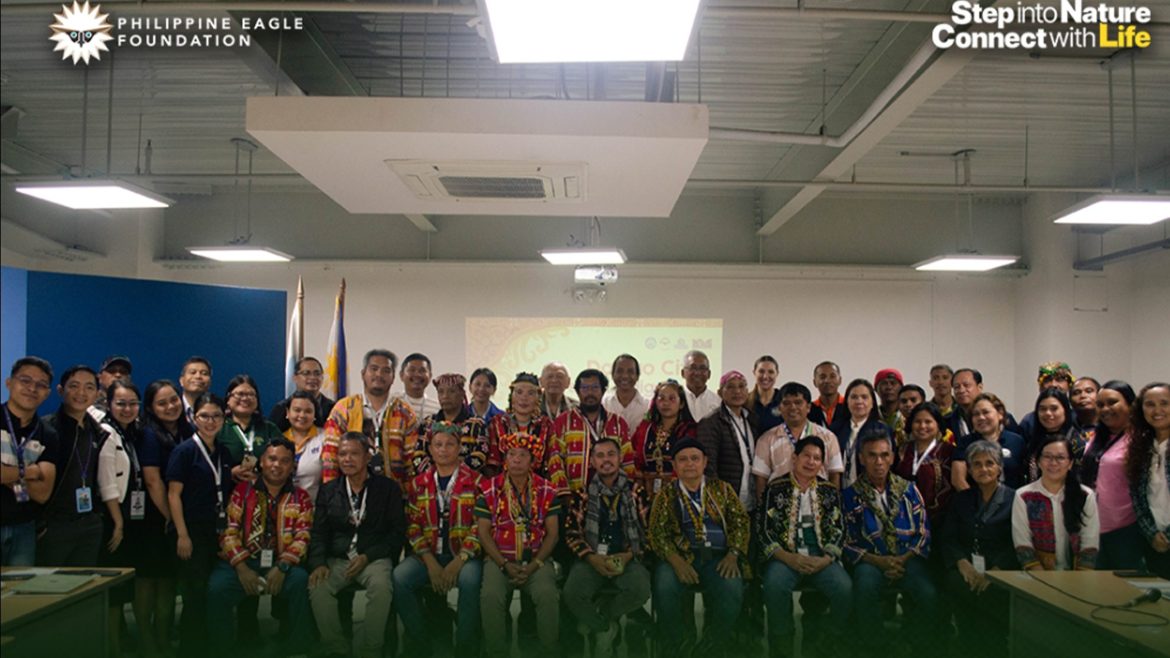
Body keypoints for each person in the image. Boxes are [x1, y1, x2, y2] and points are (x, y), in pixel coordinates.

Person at [208, 438, 313, 655]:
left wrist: (283, 567)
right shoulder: (242, 492)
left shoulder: (300, 497)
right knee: (217, 588)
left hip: (282, 562)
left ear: (292, 465)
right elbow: (228, 532)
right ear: (262, 462)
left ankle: (298, 647)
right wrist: (241, 567)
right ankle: (222, 649)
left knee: (302, 582)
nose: (277, 465)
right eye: (272, 459)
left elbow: (303, 537)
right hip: (244, 562)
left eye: (284, 461)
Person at [647, 438, 748, 658]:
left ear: (705, 462)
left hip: (719, 558)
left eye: (695, 459)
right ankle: (679, 643)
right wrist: (676, 561)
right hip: (680, 558)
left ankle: (713, 642)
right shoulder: (666, 494)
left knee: (732, 589)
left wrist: (733, 554)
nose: (689, 464)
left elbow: (740, 521)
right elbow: (656, 533)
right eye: (683, 460)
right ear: (674, 465)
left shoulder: (722, 489)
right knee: (664, 587)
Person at [842, 428, 938, 658]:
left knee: (929, 594)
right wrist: (879, 561)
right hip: (871, 559)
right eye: (872, 455)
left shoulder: (909, 490)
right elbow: (846, 540)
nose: (879, 462)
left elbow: (923, 531)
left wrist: (901, 560)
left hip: (907, 558)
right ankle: (876, 647)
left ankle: (915, 643)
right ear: (862, 459)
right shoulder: (849, 495)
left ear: (892, 458)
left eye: (884, 455)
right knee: (864, 589)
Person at [310, 432, 405, 658]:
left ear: (367, 457)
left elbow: (397, 533)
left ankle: (370, 649)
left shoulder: (387, 488)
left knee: (382, 588)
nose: (347, 459)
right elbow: (319, 532)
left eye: (354, 453)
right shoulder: (329, 490)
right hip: (338, 559)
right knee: (317, 586)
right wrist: (319, 563)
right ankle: (336, 647)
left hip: (373, 557)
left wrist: (368, 556)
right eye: (342, 454)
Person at [757, 437, 851, 658]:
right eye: (806, 456)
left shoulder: (829, 491)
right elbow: (763, 530)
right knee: (774, 586)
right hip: (785, 559)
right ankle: (782, 647)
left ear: (822, 464)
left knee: (844, 588)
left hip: (821, 557)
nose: (811, 462)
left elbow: (840, 529)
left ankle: (826, 642)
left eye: (817, 458)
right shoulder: (775, 488)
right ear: (794, 458)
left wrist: (826, 559)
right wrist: (788, 558)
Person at [394, 425, 482, 657]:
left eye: (450, 444)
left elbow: (480, 527)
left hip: (463, 554)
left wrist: (460, 560)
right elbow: (413, 527)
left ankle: (465, 646)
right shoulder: (418, 483)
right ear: (430, 449)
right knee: (399, 577)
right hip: (429, 554)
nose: (443, 450)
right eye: (438, 445)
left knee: (471, 580)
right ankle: (421, 640)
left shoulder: (476, 481)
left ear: (460, 448)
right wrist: (430, 563)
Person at [476, 431, 562, 658]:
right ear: (504, 460)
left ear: (533, 461)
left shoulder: (547, 490)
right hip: (499, 560)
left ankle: (549, 650)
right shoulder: (489, 489)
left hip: (537, 560)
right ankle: (496, 651)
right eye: (511, 454)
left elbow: (553, 534)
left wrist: (535, 565)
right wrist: (503, 564)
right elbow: (483, 533)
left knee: (547, 595)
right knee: (490, 596)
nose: (516, 459)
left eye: (523, 455)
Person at [563, 438, 652, 656]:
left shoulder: (636, 492)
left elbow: (649, 533)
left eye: (611, 454)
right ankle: (605, 627)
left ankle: (602, 614)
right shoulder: (582, 494)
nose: (606, 460)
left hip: (627, 558)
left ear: (620, 458)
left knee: (640, 589)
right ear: (592, 461)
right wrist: (592, 558)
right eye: (600, 456)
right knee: (571, 594)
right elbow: (572, 534)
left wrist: (629, 555)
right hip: (591, 559)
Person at [166, 393, 237, 658]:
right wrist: (182, 534)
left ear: (224, 419)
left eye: (216, 416)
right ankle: (191, 649)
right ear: (193, 418)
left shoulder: (223, 452)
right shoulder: (184, 451)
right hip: (190, 533)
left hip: (215, 533)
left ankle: (213, 647)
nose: (210, 421)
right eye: (204, 416)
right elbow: (173, 494)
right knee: (193, 595)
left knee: (212, 593)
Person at [939, 440, 1018, 657]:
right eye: (977, 464)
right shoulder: (961, 499)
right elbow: (949, 537)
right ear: (970, 469)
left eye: (989, 463)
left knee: (992, 603)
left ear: (999, 468)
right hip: (967, 568)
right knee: (956, 584)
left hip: (1000, 570)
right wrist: (962, 563)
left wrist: (995, 571)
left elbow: (1018, 543)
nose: (983, 469)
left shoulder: (1014, 499)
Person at [96, 380, 148, 657]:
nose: (127, 409)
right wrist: (117, 522)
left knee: (123, 586)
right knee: (113, 591)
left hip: (128, 517)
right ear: (109, 404)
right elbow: (107, 483)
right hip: (112, 520)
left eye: (132, 403)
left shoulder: (131, 433)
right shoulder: (106, 433)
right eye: (121, 403)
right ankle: (112, 649)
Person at [135, 379, 186, 654]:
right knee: (147, 581)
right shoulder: (149, 435)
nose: (170, 406)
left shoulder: (185, 431)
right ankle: (146, 638)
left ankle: (164, 636)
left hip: (177, 519)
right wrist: (171, 520)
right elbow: (153, 481)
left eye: (174, 400)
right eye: (162, 403)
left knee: (168, 581)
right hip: (155, 520)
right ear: (151, 408)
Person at [324, 349, 419, 486]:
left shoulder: (405, 413)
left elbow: (411, 461)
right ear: (363, 374)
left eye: (386, 371)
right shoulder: (344, 409)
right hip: (349, 493)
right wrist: (331, 494)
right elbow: (330, 457)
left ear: (393, 378)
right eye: (374, 369)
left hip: (393, 494)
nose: (379, 374)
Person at [39, 364, 104, 566]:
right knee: (49, 591)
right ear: (60, 390)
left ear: (97, 394)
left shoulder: (97, 431)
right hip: (54, 525)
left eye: (89, 387)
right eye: (74, 386)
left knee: (84, 589)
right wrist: (42, 525)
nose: (81, 393)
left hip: (88, 523)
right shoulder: (47, 429)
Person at [1012, 435, 1099, 570]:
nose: (1053, 463)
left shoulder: (1085, 495)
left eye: (1060, 458)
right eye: (1047, 457)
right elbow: (1023, 545)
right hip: (1038, 577)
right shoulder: (1023, 496)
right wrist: (1043, 580)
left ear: (1070, 463)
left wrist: (1081, 580)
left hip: (1077, 577)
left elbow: (1090, 543)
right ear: (1038, 462)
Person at [1, 356, 56, 566]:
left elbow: (43, 493)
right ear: (9, 383)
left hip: (24, 527)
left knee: (21, 596)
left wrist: (7, 473)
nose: (32, 388)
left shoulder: (47, 433)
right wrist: (27, 472)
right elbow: (36, 481)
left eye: (41, 385)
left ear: (48, 393)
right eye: (25, 381)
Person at [1082, 380, 1142, 569]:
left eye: (1112, 402)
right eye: (1100, 405)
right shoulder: (1095, 439)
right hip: (1093, 528)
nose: (1105, 409)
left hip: (1126, 530)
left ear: (1131, 405)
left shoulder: (1140, 440)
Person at [553, 368, 635, 495]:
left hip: (614, 498)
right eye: (585, 388)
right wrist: (565, 494)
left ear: (603, 390)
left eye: (595, 387)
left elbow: (628, 462)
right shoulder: (562, 422)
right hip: (575, 497)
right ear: (577, 392)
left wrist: (626, 493)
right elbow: (555, 460)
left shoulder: (618, 423)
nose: (590, 393)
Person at [752, 381, 842, 492]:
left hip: (817, 503)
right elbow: (761, 479)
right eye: (786, 403)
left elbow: (834, 475)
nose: (792, 407)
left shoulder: (828, 437)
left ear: (808, 407)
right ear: (779, 408)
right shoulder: (766, 439)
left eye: (798, 402)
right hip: (779, 505)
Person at [698, 370, 757, 512]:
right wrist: (719, 500)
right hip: (726, 502)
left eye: (742, 386)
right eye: (730, 387)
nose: (737, 391)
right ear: (720, 392)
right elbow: (708, 466)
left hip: (751, 500)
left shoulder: (752, 419)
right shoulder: (711, 422)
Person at [1128, 382, 1170, 579]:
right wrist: (1152, 533)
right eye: (1150, 404)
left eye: (1164, 403)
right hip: (1151, 540)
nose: (1157, 410)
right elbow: (1138, 498)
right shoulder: (1141, 447)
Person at [486, 372, 560, 480]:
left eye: (530, 393)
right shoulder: (497, 423)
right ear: (511, 397)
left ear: (538, 398)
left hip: (538, 487)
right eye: (519, 392)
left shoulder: (546, 425)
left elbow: (553, 461)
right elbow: (492, 463)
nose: (524, 398)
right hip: (502, 487)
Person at [894, 402, 955, 529]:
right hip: (903, 519)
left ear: (938, 424)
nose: (922, 426)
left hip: (939, 522)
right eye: (918, 421)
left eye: (928, 422)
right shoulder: (901, 450)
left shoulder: (948, 452)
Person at [630, 379, 696, 495]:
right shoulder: (645, 428)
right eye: (661, 398)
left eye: (672, 399)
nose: (666, 403)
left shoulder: (689, 430)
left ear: (681, 404)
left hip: (679, 492)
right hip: (646, 491)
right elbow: (634, 456)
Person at [414, 373, 489, 473]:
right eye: (441, 392)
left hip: (467, 484)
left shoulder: (477, 424)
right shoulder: (427, 423)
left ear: (462, 394)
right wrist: (436, 476)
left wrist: (454, 475)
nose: (445, 396)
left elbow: (480, 455)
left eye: (452, 391)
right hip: (431, 483)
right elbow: (418, 454)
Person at [952, 393, 1027, 490]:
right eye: (976, 414)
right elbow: (958, 480)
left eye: (986, 412)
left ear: (1000, 414)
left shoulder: (1016, 441)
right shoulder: (966, 443)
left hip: (1013, 501)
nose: (981, 417)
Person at [829, 378, 889, 489]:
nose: (859, 401)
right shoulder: (836, 429)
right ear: (847, 401)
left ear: (872, 403)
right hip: (840, 491)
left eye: (864, 397)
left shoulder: (882, 430)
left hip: (870, 492)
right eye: (854, 397)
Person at [218, 374, 282, 471]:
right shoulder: (218, 428)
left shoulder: (269, 428)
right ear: (228, 399)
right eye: (239, 394)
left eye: (250, 394)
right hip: (226, 484)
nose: (245, 398)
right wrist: (229, 474)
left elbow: (282, 458)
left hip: (263, 484)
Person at [1024, 388, 1088, 481]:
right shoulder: (1034, 440)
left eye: (1054, 408)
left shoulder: (1077, 443)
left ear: (1065, 410)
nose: (1048, 413)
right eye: (1042, 409)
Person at [285, 390, 332, 501]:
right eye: (297, 410)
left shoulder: (326, 438)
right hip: (282, 508)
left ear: (315, 414)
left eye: (308, 411)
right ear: (287, 413)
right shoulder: (278, 438)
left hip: (315, 508)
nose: (302, 415)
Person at [269, 356, 336, 432]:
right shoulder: (281, 409)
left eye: (317, 373)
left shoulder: (333, 408)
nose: (312, 377)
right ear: (295, 378)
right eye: (306, 373)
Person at [1017, 361, 1076, 442]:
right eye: (1048, 380)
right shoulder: (1029, 421)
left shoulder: (1078, 418)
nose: (1053, 384)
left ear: (1069, 385)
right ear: (1041, 386)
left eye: (1059, 379)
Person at [602, 354, 650, 432]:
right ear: (612, 375)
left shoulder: (647, 406)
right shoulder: (604, 403)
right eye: (620, 371)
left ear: (637, 376)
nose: (625, 376)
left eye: (630, 371)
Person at [747, 356, 783, 434]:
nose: (765, 376)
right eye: (761, 371)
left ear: (777, 374)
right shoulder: (745, 402)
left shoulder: (784, 401)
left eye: (771, 372)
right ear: (754, 373)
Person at [681, 350, 720, 420]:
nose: (697, 373)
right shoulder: (675, 400)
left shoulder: (718, 402)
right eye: (693, 368)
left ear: (709, 374)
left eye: (702, 368)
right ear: (683, 373)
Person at [400, 352, 440, 420]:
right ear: (401, 375)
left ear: (430, 376)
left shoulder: (438, 409)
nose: (417, 375)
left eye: (422, 371)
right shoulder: (392, 402)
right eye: (412, 370)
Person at [808, 361, 844, 428]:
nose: (827, 380)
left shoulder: (849, 407)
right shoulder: (809, 410)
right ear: (814, 382)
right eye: (822, 377)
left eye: (832, 376)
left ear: (840, 380)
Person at [178, 356, 212, 426]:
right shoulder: (173, 408)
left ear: (210, 382)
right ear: (181, 381)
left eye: (204, 373)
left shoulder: (216, 410)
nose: (198, 376)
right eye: (192, 372)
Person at [894, 384, 926, 448]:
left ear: (923, 402)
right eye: (904, 401)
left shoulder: (935, 428)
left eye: (913, 400)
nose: (908, 404)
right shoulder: (896, 431)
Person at [874, 368, 904, 437]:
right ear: (875, 389)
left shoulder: (907, 415)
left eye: (893, 383)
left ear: (901, 388)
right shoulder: (871, 416)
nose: (889, 387)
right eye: (884, 383)